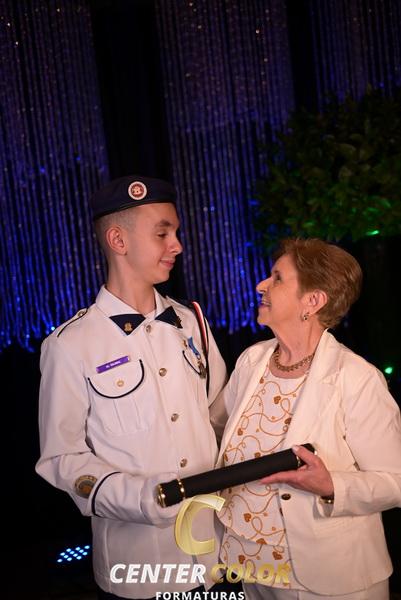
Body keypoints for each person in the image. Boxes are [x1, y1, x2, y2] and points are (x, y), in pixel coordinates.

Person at [36, 175, 228, 599]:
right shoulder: (70, 345)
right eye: (163, 233)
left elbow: (221, 417)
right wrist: (141, 499)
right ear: (118, 240)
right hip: (141, 568)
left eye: (176, 232)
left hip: (216, 555)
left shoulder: (192, 322)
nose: (177, 245)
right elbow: (62, 458)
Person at [212, 238, 401, 600]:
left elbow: (396, 481)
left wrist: (332, 486)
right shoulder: (252, 360)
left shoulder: (356, 378)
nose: (261, 285)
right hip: (251, 566)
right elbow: (214, 430)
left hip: (328, 578)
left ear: (312, 301)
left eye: (277, 278)